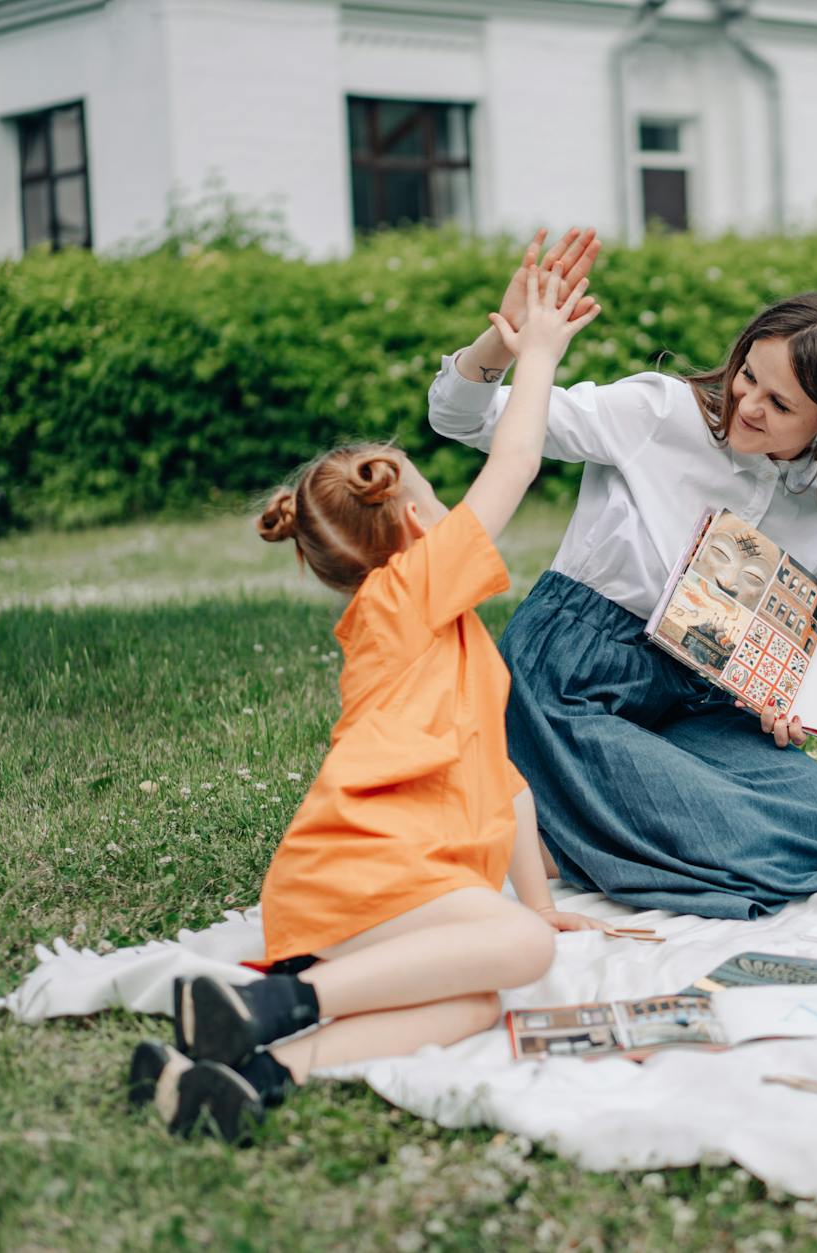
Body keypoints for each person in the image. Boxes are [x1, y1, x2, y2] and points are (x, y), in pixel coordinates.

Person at [127, 266, 611, 1142]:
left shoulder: (436, 627)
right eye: (434, 497)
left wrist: (537, 902)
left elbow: (503, 780)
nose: (451, 512)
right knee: (525, 958)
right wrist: (538, 355)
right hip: (360, 883)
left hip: (387, 895)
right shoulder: (408, 594)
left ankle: (258, 1070)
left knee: (471, 1001)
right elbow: (518, 461)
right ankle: (275, 1001)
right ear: (420, 527)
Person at [426, 227, 817, 919]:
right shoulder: (657, 413)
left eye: (781, 405)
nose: (747, 405)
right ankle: (559, 816)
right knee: (735, 835)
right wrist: (506, 342)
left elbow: (758, 662)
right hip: (574, 677)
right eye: (748, 376)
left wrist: (774, 702)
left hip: (692, 699)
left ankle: (573, 828)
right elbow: (458, 418)